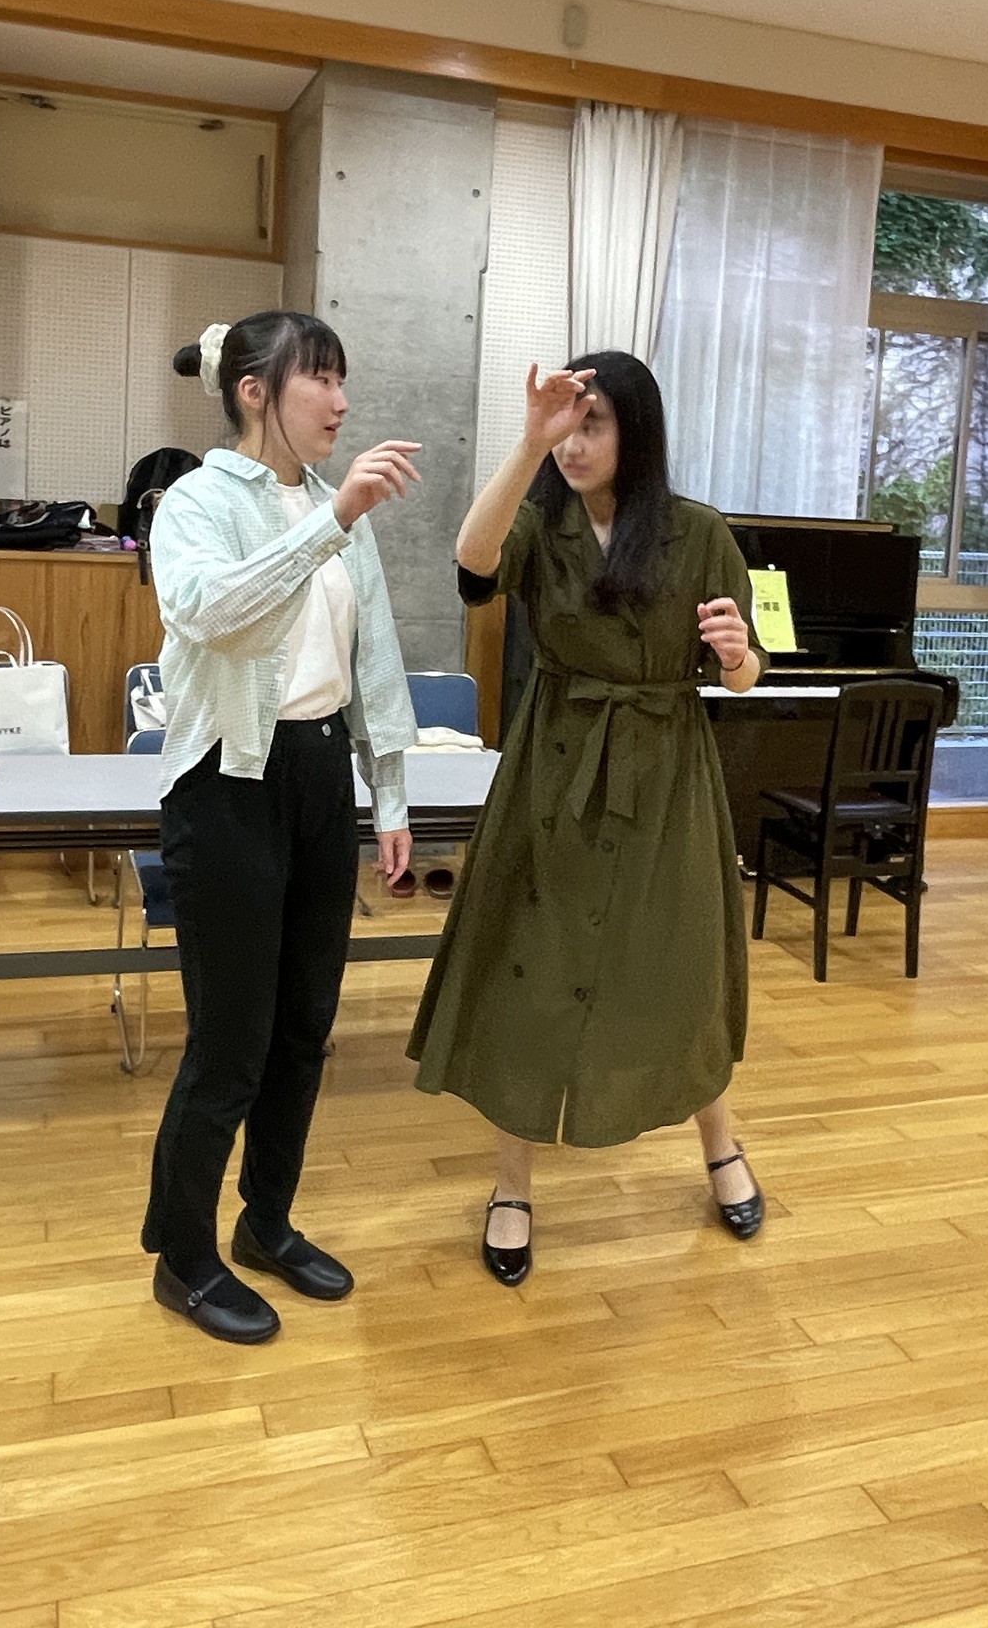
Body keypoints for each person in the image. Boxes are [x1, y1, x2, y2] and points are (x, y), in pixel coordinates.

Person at [408, 351, 766, 1284]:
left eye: (592, 423)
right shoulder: (541, 524)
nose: (576, 443)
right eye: (568, 424)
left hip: (667, 774)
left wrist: (736, 655)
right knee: (530, 968)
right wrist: (530, 444)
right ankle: (512, 1186)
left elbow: (744, 672)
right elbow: (473, 561)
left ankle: (721, 1145)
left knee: (677, 966)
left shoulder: (699, 533)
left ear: (634, 432)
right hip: (554, 766)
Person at [141, 312, 420, 1344]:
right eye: (320, 380)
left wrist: (388, 795)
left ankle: (266, 1223)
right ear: (255, 391)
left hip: (317, 776)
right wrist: (333, 517)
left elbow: (373, 655)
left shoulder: (338, 509)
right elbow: (214, 614)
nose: (341, 402)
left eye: (344, 381)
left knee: (304, 1026)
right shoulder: (196, 501)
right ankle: (184, 1256)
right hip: (226, 782)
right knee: (230, 1043)